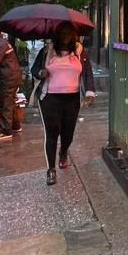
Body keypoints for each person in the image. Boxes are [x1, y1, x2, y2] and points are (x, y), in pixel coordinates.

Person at [31, 22, 95, 185]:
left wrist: (89, 92)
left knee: (68, 133)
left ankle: (64, 151)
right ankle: (51, 170)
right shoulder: (48, 50)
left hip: (72, 99)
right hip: (49, 98)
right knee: (52, 133)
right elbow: (34, 69)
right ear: (57, 34)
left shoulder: (80, 50)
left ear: (73, 34)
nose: (66, 35)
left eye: (69, 32)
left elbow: (87, 72)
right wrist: (41, 72)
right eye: (63, 32)